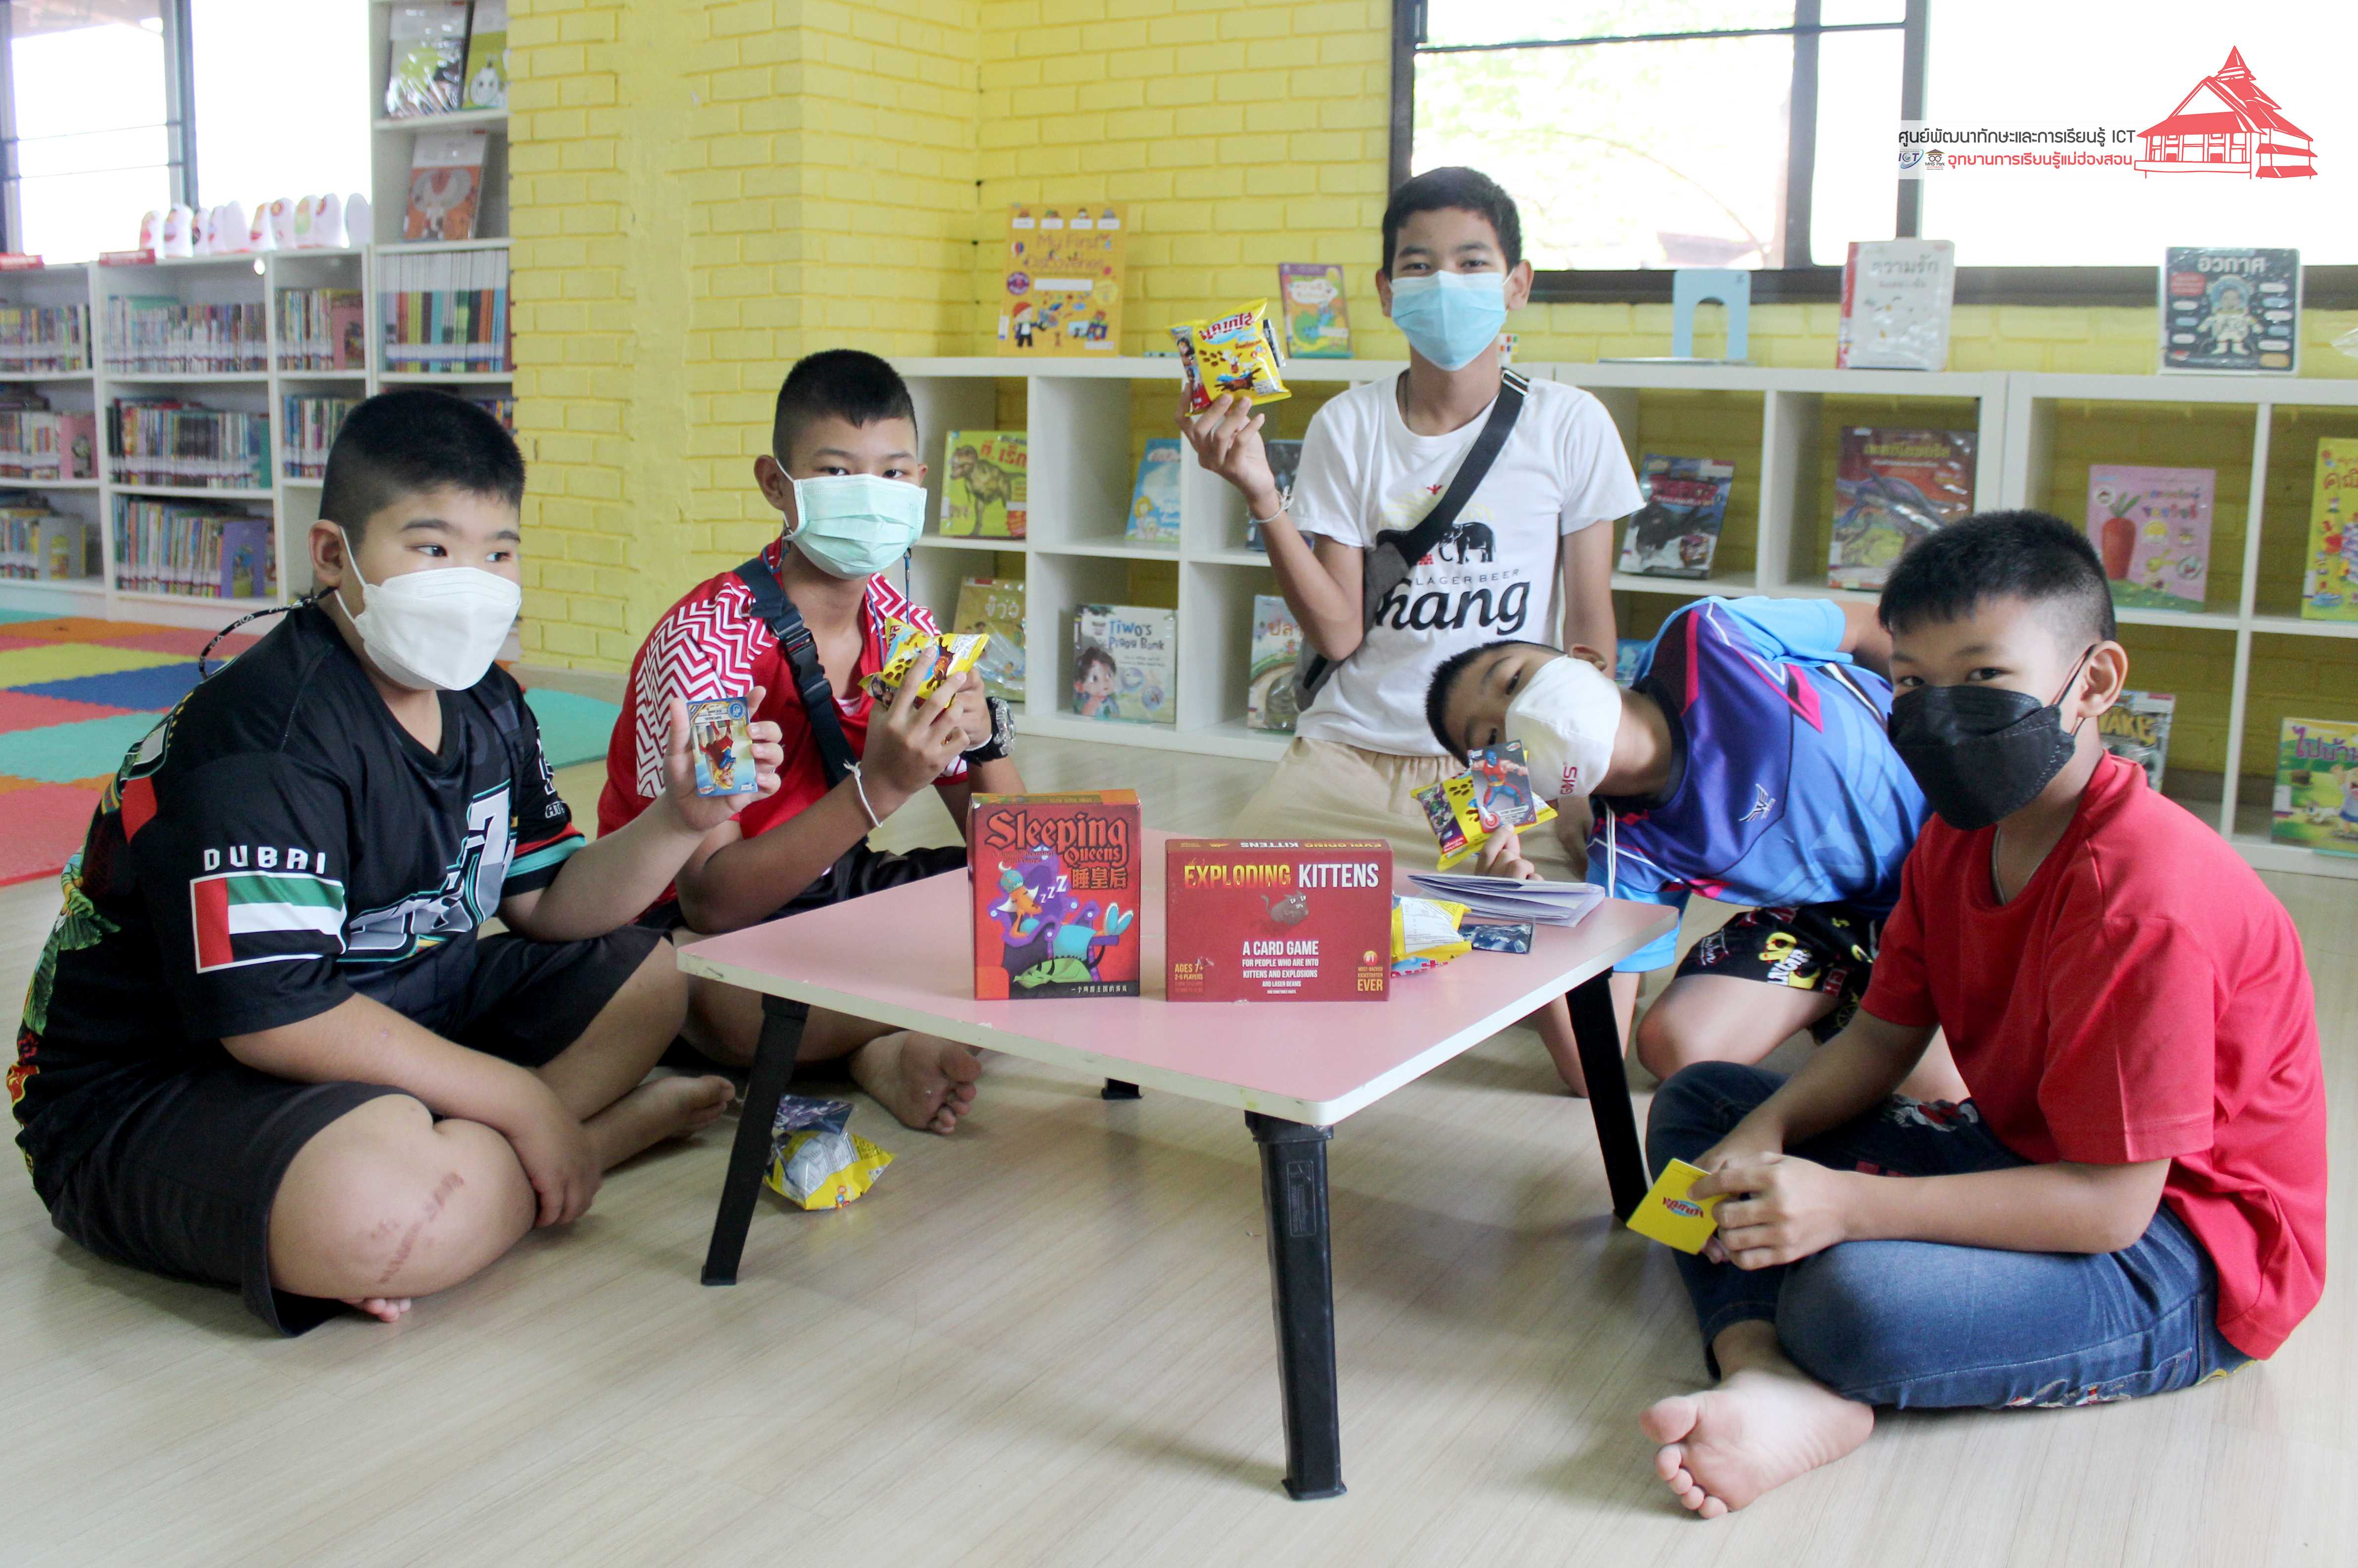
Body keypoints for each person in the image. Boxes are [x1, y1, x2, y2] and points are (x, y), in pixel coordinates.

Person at [10, 391, 766, 1333]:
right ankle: (579, 1143)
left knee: (653, 975)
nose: (474, 583)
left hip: (393, 1010)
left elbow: (550, 902)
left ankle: (485, 1164)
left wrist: (680, 819)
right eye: (432, 547)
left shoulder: (487, 702)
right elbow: (273, 1019)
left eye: (498, 553)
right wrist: (517, 1097)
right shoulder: (266, 741)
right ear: (333, 555)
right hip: (163, 1081)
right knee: (376, 1215)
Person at [1636, 513, 2326, 1517]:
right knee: (1704, 1107)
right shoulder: (1958, 835)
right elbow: (1883, 1035)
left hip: (2180, 1252)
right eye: (1911, 683)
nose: (1936, 714)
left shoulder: (2140, 899)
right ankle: (1764, 1371)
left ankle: (1799, 1343)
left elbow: (2109, 1206)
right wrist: (1768, 1131)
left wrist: (1848, 1205)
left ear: (2093, 681)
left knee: (1854, 1301)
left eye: (1984, 677)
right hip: (2021, 1154)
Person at [1180, 166, 1641, 1073]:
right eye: (1419, 266)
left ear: (1516, 284)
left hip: (1495, 764)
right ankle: (1425, 929)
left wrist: (1577, 783)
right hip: (1345, 759)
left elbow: (1589, 625)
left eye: (1471, 262)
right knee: (1214, 948)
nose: (1445, 283)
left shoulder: (1570, 423)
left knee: (1586, 1060)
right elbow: (1337, 635)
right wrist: (1260, 493)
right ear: (1388, 291)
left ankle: (1434, 926)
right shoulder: (1347, 425)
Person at [601, 349, 1025, 1134]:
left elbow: (1023, 857)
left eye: (892, 475)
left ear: (920, 483)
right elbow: (713, 900)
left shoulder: (906, 631)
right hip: (696, 928)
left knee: (1033, 910)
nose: (869, 496)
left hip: (831, 893)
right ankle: (890, 1038)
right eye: (835, 473)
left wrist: (987, 740)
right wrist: (880, 788)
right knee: (724, 998)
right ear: (776, 484)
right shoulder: (714, 649)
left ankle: (864, 1043)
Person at [1426, 595, 1950, 1099]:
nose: (1520, 714)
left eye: (1514, 681)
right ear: (1509, 775)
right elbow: (1593, 1071)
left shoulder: (1706, 635)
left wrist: (1946, 721)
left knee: (1940, 1087)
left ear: (1586, 659)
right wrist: (1509, 918)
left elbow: (1866, 627)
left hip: (1960, 847)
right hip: (1842, 915)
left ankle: (1889, 995)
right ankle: (1869, 988)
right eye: (1491, 739)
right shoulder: (1627, 857)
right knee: (1674, 1046)